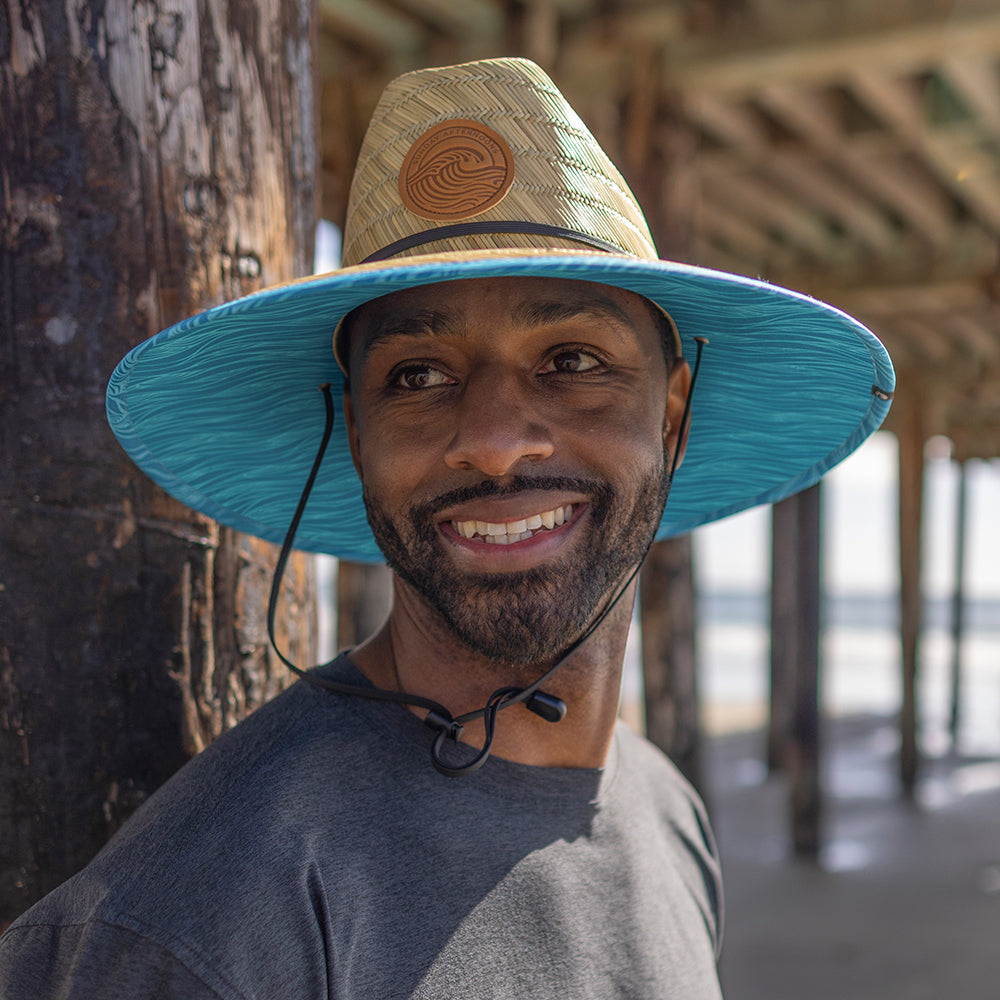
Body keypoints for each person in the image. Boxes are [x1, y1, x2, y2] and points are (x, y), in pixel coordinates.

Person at [0, 57, 893, 998]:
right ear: (356, 431)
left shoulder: (663, 809)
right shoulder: (206, 920)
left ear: (671, 416)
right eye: (418, 375)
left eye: (572, 358)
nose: (497, 443)